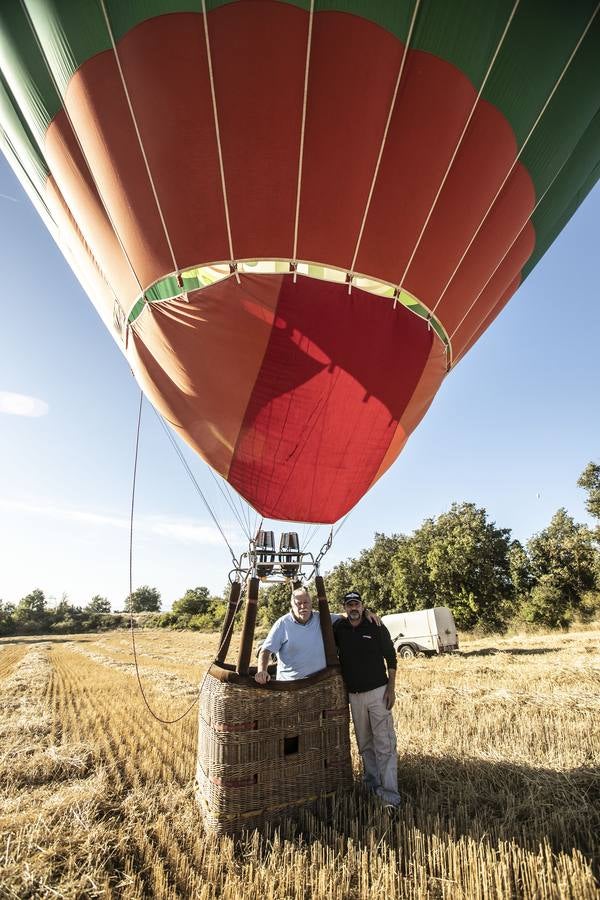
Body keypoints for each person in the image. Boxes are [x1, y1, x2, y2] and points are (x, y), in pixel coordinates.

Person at [333, 590, 400, 809]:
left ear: (362, 606)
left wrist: (391, 687)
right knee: (365, 745)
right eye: (349, 605)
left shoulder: (376, 626)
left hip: (378, 693)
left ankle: (390, 796)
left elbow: (391, 657)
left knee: (384, 743)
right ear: (345, 608)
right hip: (354, 696)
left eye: (357, 604)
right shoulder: (338, 629)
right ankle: (373, 787)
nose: (354, 608)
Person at [255, 586, 381, 684]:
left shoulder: (321, 618)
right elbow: (265, 651)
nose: (303, 606)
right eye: (298, 603)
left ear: (311, 603)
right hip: (291, 686)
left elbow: (346, 616)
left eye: (306, 602)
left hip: (318, 684)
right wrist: (262, 671)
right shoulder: (282, 624)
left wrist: (366, 612)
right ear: (292, 606)